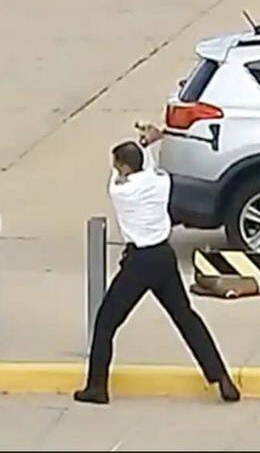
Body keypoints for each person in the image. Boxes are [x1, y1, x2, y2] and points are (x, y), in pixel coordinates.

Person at [74, 122, 240, 405]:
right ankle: (221, 378)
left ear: (124, 168)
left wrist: (145, 142)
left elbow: (124, 175)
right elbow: (146, 167)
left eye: (117, 165)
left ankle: (96, 387)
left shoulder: (121, 191)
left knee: (106, 323)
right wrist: (150, 140)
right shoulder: (160, 182)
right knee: (186, 317)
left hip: (139, 263)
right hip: (164, 258)